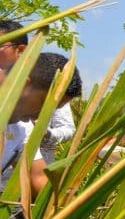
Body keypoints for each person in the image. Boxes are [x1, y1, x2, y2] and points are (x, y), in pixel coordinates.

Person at [1, 52, 82, 198]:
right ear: (23, 84)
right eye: (45, 106)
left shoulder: (23, 128)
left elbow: (38, 179)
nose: (42, 116)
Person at [0, 21, 76, 164]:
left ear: (21, 50)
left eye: (1, 45)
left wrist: (46, 134)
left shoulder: (46, 79)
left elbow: (67, 128)